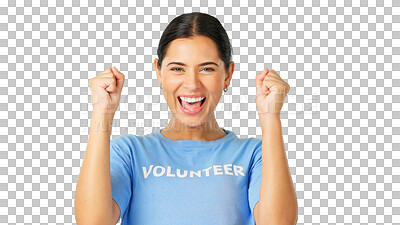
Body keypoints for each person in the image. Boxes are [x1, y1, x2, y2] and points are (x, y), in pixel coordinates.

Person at [75, 12, 297, 225]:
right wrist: (102, 113)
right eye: (178, 68)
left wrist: (271, 117)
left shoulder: (254, 154)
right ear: (159, 72)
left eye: (207, 69)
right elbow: (93, 222)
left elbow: (278, 223)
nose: (192, 84)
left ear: (228, 75)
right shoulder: (129, 152)